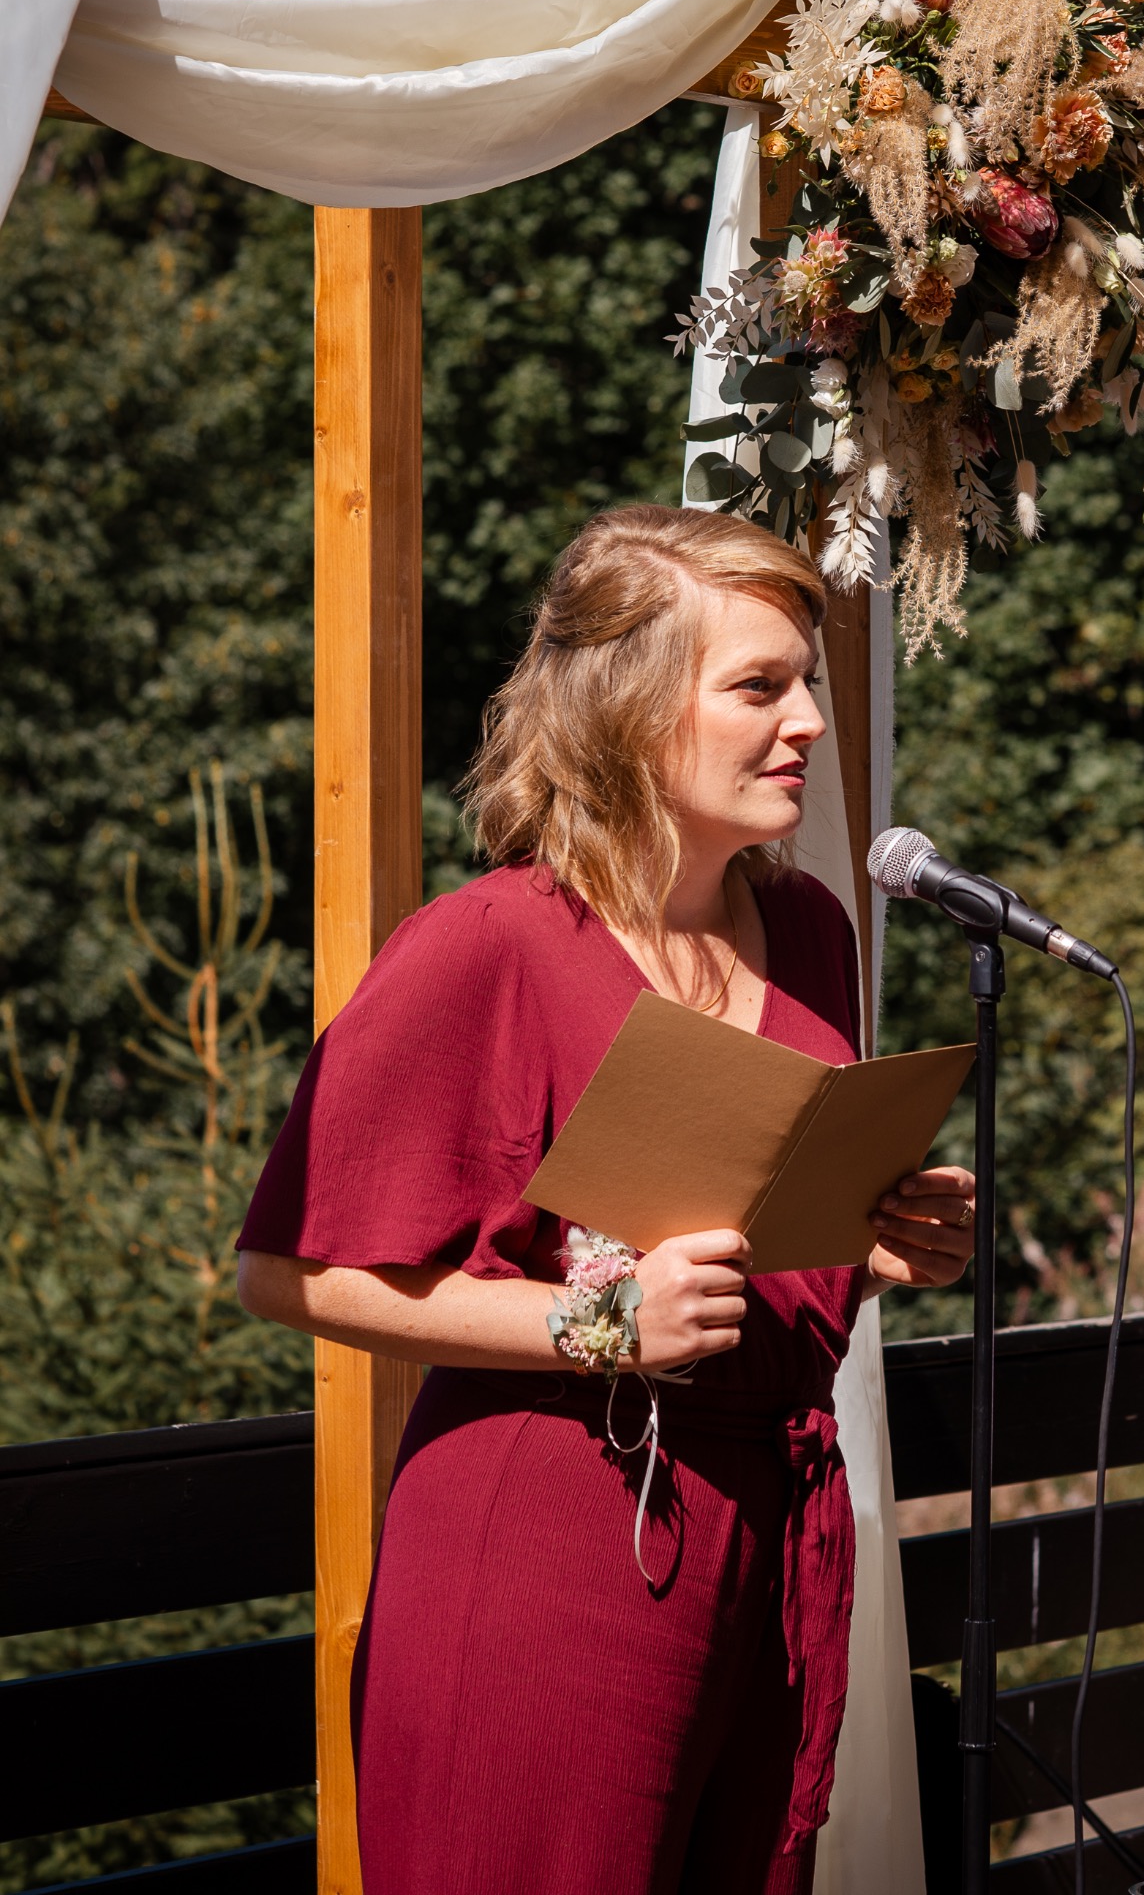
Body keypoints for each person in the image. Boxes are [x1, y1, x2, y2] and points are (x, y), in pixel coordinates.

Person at [236, 504, 975, 1895]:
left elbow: (751, 1232)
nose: (807, 720)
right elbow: (287, 1272)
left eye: (805, 679)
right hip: (547, 1549)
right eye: (759, 686)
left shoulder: (813, 926)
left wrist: (882, 1249)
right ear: (630, 709)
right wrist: (600, 1324)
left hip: (761, 1542)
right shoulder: (488, 946)